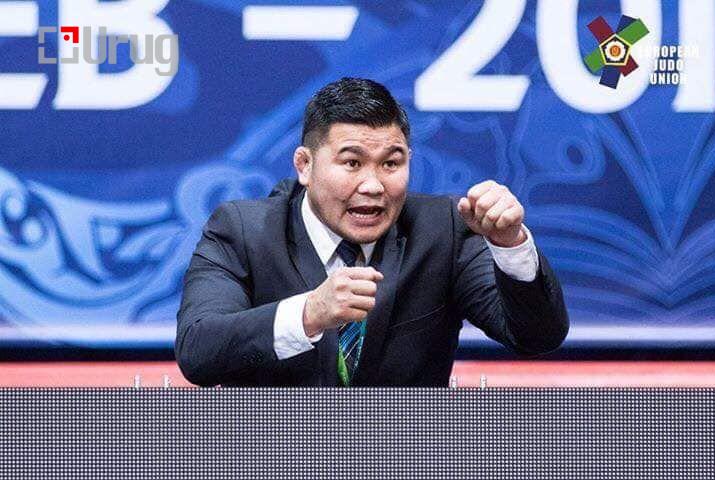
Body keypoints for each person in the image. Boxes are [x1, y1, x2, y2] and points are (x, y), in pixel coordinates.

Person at [175, 77, 568, 387]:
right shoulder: (243, 231)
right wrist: (309, 314)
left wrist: (509, 245)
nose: (373, 185)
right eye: (352, 163)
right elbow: (199, 350)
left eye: (390, 164)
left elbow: (536, 337)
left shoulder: (444, 229)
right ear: (305, 165)